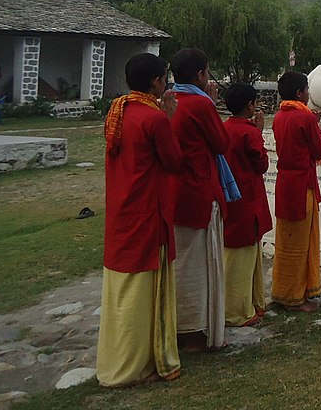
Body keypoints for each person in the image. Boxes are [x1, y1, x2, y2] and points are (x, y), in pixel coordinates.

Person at [97, 53, 182, 387]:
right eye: (164, 79)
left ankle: (116, 358)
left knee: (121, 288)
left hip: (122, 209)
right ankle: (135, 364)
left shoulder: (118, 111)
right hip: (147, 210)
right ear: (156, 83)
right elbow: (174, 162)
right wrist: (170, 117)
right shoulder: (154, 117)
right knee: (143, 289)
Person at [170, 47, 233, 352]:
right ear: (200, 75)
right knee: (198, 265)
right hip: (199, 189)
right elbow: (221, 143)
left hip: (175, 192)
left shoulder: (168, 102)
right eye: (207, 72)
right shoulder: (198, 104)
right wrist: (213, 102)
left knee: (180, 262)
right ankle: (194, 330)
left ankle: (177, 324)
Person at [271, 71, 321, 311]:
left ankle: (283, 290)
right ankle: (295, 296)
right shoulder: (305, 119)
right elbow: (319, 151)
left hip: (285, 182)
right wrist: (315, 125)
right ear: (299, 93)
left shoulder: (278, 117)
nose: (308, 94)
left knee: (286, 240)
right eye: (306, 90)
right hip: (302, 184)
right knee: (302, 242)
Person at [222, 83, 272, 327]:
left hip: (230, 197)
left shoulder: (224, 128)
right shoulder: (249, 132)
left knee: (237, 253)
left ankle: (252, 302)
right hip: (247, 197)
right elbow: (262, 164)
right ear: (250, 105)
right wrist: (259, 132)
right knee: (242, 257)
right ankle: (236, 311)